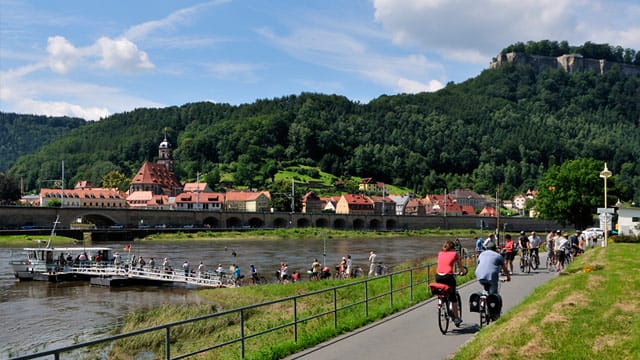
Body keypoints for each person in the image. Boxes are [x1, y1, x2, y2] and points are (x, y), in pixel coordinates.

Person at [436, 239, 464, 326]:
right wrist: (462, 271)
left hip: (438, 276)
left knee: (443, 291)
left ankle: (442, 302)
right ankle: (456, 318)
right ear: (453, 248)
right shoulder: (454, 254)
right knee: (453, 298)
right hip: (448, 276)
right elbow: (460, 266)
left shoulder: (440, 253)